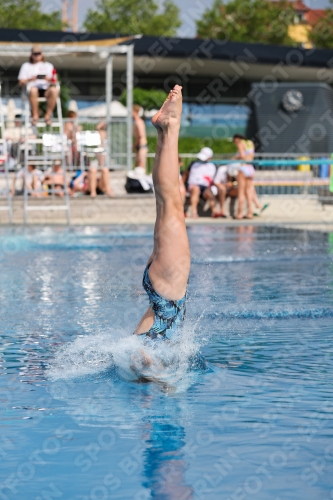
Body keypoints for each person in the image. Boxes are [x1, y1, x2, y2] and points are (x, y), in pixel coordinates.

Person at [133, 85, 190, 343]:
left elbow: (142, 358)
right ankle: (166, 129)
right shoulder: (141, 345)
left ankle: (170, 127)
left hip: (167, 289)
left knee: (171, 204)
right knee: (167, 204)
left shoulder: (147, 353)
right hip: (161, 291)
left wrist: (153, 370)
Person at [230, 134, 268, 219]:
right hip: (250, 168)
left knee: (241, 192)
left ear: (237, 139)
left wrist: (234, 158)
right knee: (249, 191)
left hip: (243, 168)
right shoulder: (250, 143)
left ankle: (239, 213)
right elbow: (251, 156)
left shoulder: (240, 143)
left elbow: (242, 155)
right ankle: (250, 212)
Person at [18, 45, 58, 126]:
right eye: (35, 54)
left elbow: (54, 80)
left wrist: (48, 79)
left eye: (38, 53)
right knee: (33, 90)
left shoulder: (48, 66)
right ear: (31, 55)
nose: (37, 55)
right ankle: (35, 116)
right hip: (31, 89)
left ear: (42, 54)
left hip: (46, 89)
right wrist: (30, 79)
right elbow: (20, 81)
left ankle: (47, 116)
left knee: (54, 90)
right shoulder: (26, 66)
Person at [182, 147, 218, 218]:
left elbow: (214, 179)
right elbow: (186, 174)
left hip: (205, 187)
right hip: (193, 186)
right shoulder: (194, 163)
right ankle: (194, 212)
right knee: (196, 189)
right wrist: (182, 186)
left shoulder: (213, 166)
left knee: (209, 192)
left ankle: (214, 211)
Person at [132, 104, 148, 172]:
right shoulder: (137, 121)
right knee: (139, 166)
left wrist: (134, 145)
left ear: (135, 111)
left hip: (142, 146)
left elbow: (140, 135)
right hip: (139, 146)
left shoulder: (138, 122)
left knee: (141, 167)